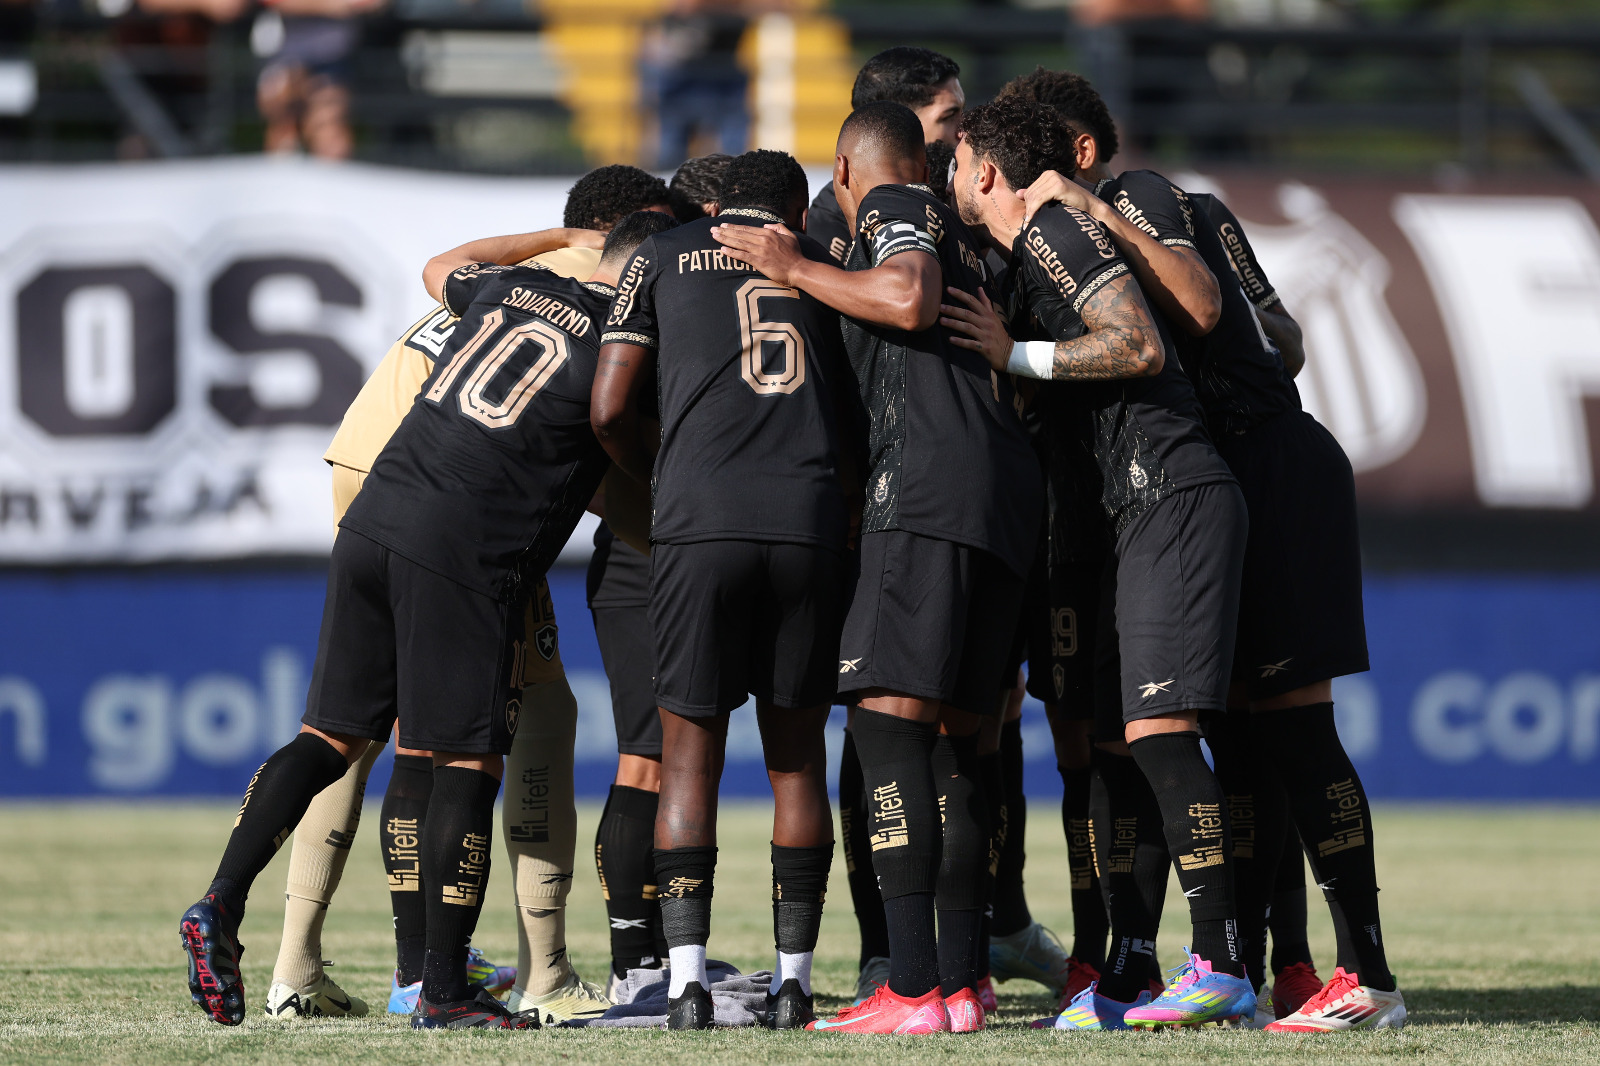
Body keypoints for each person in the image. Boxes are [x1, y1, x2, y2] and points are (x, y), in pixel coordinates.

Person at [177, 207, 673, 1030]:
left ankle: (219, 902)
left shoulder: (508, 289)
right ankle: (443, 990)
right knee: (467, 762)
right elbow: (617, 434)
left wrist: (554, 240)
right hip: (465, 550)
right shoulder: (623, 347)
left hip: (373, 518)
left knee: (327, 738)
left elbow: (446, 266)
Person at [1012, 70, 1406, 1033]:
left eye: (1040, 155)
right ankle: (1244, 966)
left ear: (1080, 153)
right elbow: (1283, 337)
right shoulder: (1199, 212)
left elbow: (1202, 309)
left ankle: (1364, 974)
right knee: (1241, 736)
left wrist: (1103, 220)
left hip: (1265, 468)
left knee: (1294, 727)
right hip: (1229, 474)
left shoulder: (1136, 197)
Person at [714, 102, 1041, 1035]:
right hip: (1002, 499)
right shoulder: (976, 243)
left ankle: (911, 990)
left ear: (847, 174)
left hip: (927, 493)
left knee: (887, 730)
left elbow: (906, 298)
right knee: (961, 747)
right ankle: (963, 985)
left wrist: (794, 268)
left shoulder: (897, 204)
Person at [942, 95, 1256, 1030]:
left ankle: (1223, 962)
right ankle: (1128, 976)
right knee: (1122, 746)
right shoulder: (1024, 251)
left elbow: (1137, 343)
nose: (948, 177)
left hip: (1173, 493)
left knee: (1159, 731)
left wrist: (1017, 356)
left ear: (986, 172)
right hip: (1132, 510)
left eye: (956, 162)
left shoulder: (1049, 229)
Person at [592, 149, 850, 1031]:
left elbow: (608, 408)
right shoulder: (823, 264)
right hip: (810, 518)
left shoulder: (660, 255)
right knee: (797, 761)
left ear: (715, 208)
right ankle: (796, 985)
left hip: (701, 522)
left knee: (688, 757)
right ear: (794, 212)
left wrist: (666, 475)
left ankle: (688, 985)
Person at [589, 154, 733, 998]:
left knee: (671, 753)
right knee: (646, 758)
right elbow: (605, 422)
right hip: (642, 553)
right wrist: (656, 492)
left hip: (676, 545)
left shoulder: (678, 292)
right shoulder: (639, 289)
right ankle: (633, 962)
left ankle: (655, 956)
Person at [805, 47, 964, 265]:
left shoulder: (963, 192)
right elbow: (908, 285)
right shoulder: (833, 218)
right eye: (948, 117)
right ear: (895, 124)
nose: (963, 131)